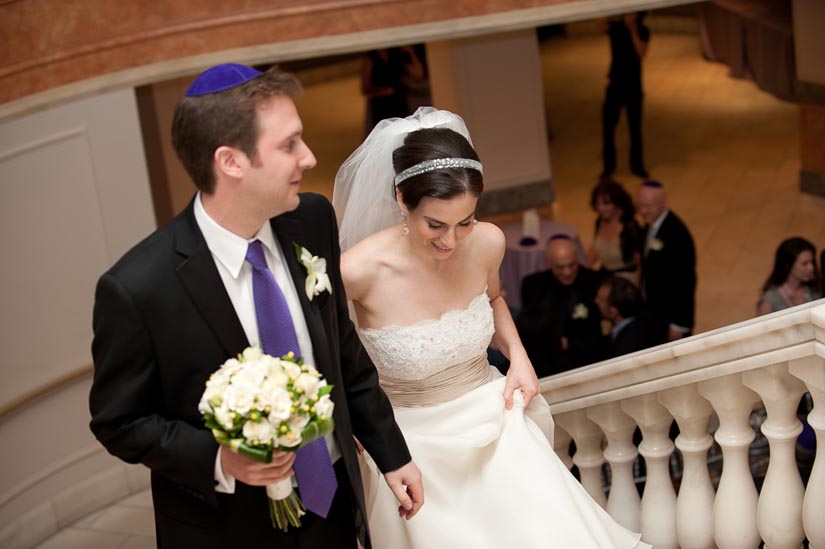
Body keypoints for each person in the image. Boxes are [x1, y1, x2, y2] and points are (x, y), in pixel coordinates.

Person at [89, 63, 423, 549]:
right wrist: (221, 458)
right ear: (231, 162)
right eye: (289, 144)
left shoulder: (312, 221)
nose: (308, 158)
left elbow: (344, 353)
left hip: (333, 507)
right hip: (226, 527)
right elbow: (119, 421)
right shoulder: (138, 287)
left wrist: (392, 454)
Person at [333, 107, 648, 548]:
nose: (451, 241)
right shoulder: (357, 270)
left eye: (465, 221)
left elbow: (494, 299)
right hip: (412, 444)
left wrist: (518, 357)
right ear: (402, 200)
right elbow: (329, 352)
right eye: (435, 225)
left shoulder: (488, 242)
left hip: (494, 421)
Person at [519, 235, 606, 377]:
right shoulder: (532, 285)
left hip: (586, 362)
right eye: (560, 267)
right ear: (548, 263)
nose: (567, 272)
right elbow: (528, 331)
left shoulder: (595, 282)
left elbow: (600, 334)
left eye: (572, 265)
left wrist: (570, 344)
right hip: (545, 364)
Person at [637, 180, 696, 345]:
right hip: (654, 312)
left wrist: (679, 324)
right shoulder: (650, 224)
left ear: (663, 203)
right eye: (640, 206)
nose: (643, 211)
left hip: (670, 318)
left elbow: (686, 282)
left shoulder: (677, 234)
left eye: (648, 206)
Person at [599, 12, 650, 180]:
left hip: (634, 86)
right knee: (608, 127)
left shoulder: (643, 30)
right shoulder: (615, 28)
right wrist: (615, 15)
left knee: (635, 128)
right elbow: (599, 22)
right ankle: (608, 167)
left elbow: (641, 53)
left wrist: (632, 30)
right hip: (615, 83)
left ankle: (637, 165)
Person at [585, 178, 644, 282]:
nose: (600, 209)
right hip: (606, 275)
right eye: (598, 204)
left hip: (627, 279)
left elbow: (640, 264)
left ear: (617, 203)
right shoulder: (599, 222)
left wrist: (637, 290)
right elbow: (594, 251)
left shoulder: (630, 227)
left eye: (605, 204)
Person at [756, 237, 822, 315]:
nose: (811, 268)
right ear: (788, 265)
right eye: (804, 264)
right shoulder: (771, 300)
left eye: (812, 262)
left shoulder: (814, 290)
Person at [595, 275, 647, 359]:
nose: (596, 301)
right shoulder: (640, 323)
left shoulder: (626, 346)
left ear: (613, 311)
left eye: (600, 300)